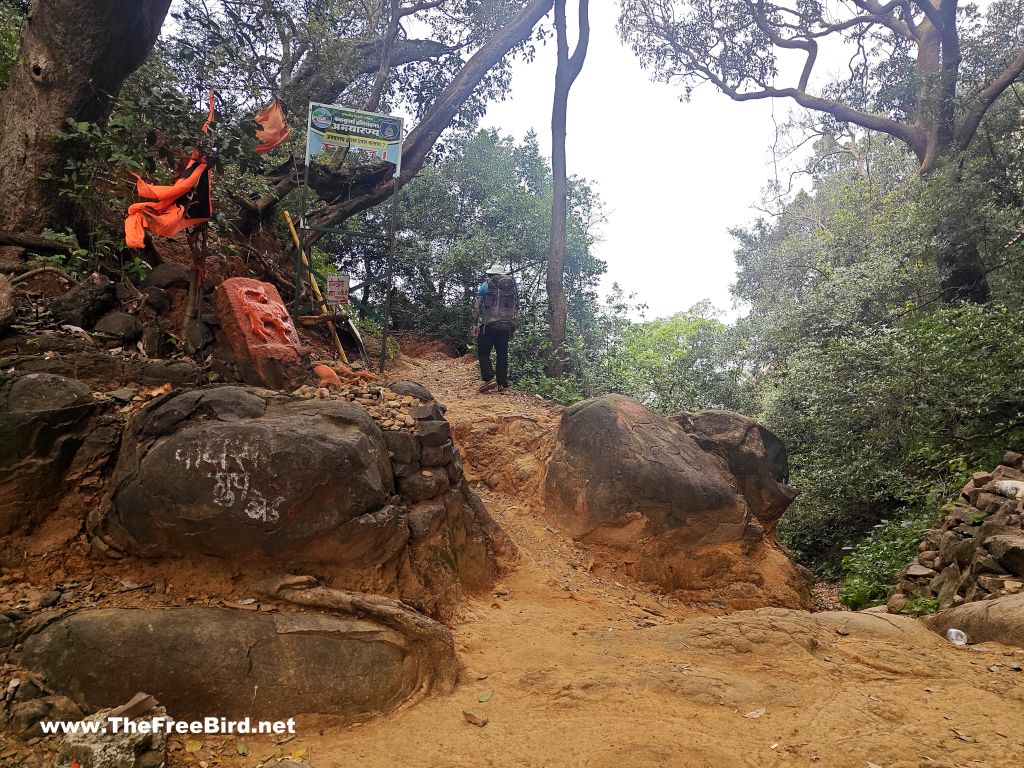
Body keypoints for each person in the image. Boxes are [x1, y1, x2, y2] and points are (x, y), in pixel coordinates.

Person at [473, 264, 518, 393]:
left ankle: (489, 379)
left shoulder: (485, 286)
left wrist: (475, 324)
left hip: (488, 325)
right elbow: (514, 309)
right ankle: (502, 385)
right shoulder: (510, 289)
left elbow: (477, 307)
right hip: (505, 327)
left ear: (490, 275)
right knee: (502, 355)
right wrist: (513, 329)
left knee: (483, 352)